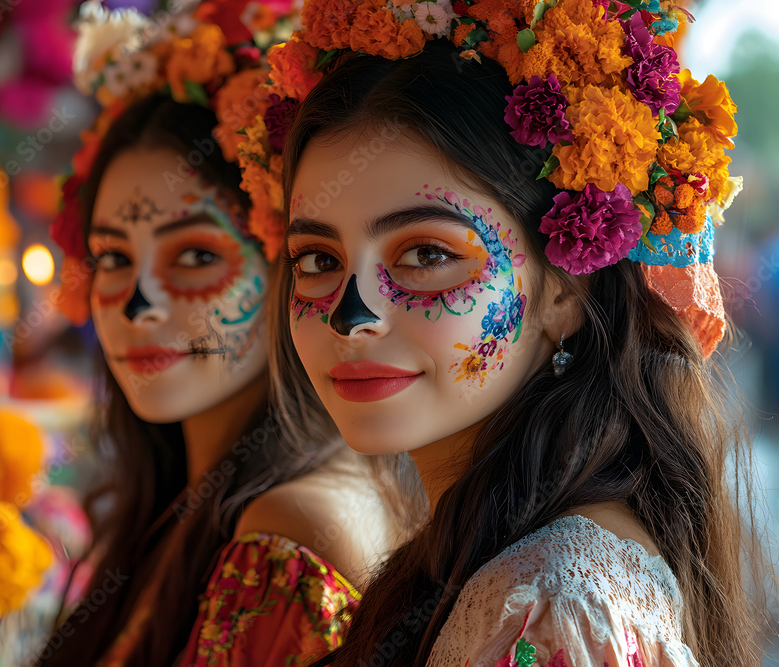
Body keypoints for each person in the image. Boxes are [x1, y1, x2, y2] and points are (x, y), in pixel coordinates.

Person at [248, 0, 771, 664]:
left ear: (565, 291)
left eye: (428, 254)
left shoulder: (552, 604)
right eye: (319, 261)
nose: (351, 315)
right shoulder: (493, 557)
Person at [35, 4, 424, 666]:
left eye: (193, 257)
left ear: (291, 265)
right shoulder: (188, 499)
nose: (137, 304)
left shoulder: (293, 533)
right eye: (112, 258)